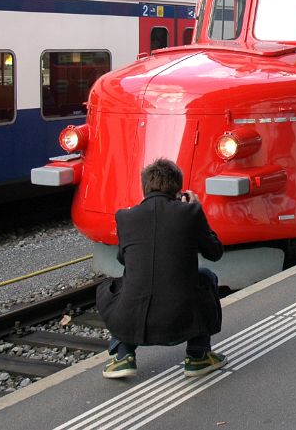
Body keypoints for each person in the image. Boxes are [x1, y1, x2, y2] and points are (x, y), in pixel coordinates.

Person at [97, 158, 227, 380]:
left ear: (144, 187)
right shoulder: (190, 213)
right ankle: (198, 356)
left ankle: (123, 355)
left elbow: (123, 260)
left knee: (111, 286)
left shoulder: (125, 217)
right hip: (182, 319)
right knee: (206, 276)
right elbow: (214, 252)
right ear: (178, 188)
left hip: (133, 320)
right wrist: (197, 210)